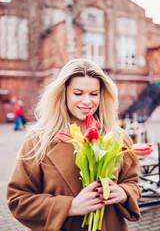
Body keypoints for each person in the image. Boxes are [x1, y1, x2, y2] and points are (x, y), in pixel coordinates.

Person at [7, 59, 141, 231]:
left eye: (94, 94)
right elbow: (17, 199)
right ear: (64, 94)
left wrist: (123, 193)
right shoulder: (38, 140)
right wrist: (69, 206)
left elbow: (132, 183)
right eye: (78, 93)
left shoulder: (117, 137)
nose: (87, 101)